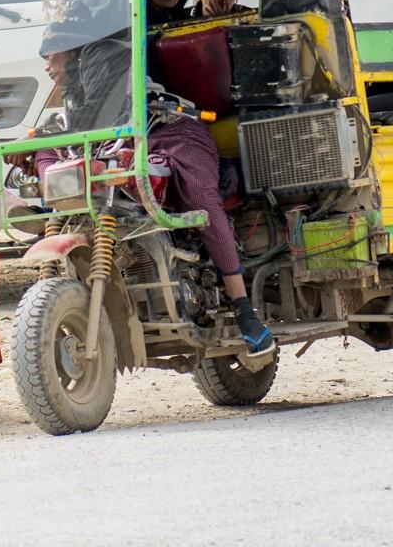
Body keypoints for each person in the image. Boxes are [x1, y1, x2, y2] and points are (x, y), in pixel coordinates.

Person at [35, 20, 272, 352]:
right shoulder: (74, 81)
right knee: (47, 154)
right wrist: (44, 163)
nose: (45, 64)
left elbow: (92, 117)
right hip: (117, 143)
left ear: (72, 49)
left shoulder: (101, 56)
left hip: (171, 133)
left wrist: (50, 136)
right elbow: (79, 127)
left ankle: (244, 309)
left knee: (199, 200)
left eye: (49, 54)